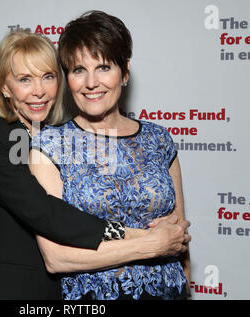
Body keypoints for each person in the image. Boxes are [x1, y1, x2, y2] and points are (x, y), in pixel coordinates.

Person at [0, 30, 190, 300]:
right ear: (4, 86)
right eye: (24, 79)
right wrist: (143, 238)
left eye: (48, 77)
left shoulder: (63, 136)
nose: (38, 91)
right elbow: (46, 212)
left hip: (65, 291)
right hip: (17, 290)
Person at [29, 11, 191, 300]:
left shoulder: (158, 140)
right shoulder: (49, 146)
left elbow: (180, 238)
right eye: (79, 70)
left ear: (124, 72)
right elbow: (57, 257)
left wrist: (184, 280)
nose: (91, 82)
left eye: (103, 67)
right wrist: (153, 245)